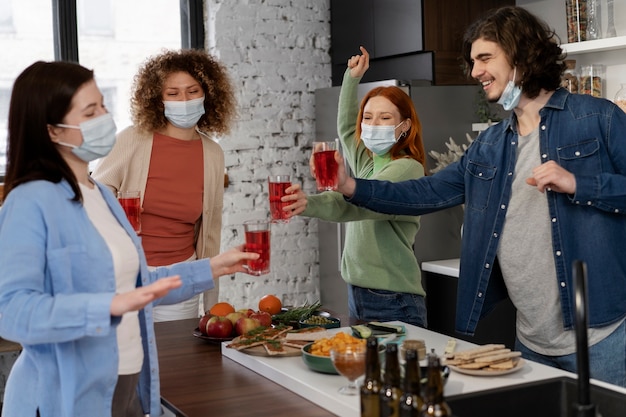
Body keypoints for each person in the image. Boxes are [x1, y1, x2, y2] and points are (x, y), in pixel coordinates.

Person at [332, 6, 626, 387]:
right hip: (531, 340)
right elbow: (428, 190)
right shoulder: (490, 144)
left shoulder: (596, 118)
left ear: (521, 55)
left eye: (485, 58)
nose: (474, 72)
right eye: (472, 61)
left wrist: (580, 184)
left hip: (603, 334)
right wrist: (352, 187)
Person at [0, 60, 258, 417]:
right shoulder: (31, 201)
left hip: (128, 384)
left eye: (103, 106)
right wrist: (107, 306)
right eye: (90, 112)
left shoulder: (100, 195)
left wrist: (212, 266)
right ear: (53, 131)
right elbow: (12, 312)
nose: (105, 119)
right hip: (67, 396)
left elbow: (140, 283)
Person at [285, 46, 428, 327]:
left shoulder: (407, 169)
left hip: (393, 297)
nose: (374, 125)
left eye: (385, 118)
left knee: (394, 372)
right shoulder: (367, 165)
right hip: (359, 291)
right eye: (368, 117)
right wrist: (351, 78)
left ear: (405, 126)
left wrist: (309, 203)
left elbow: (355, 206)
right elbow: (347, 129)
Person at [92, 49, 236, 322]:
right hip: (129, 277)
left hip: (182, 279)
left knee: (177, 361)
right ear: (158, 99)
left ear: (207, 94)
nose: (184, 100)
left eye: (192, 91)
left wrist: (210, 298)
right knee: (130, 360)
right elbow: (94, 196)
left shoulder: (213, 154)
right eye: (173, 93)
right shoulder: (132, 139)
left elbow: (210, 230)